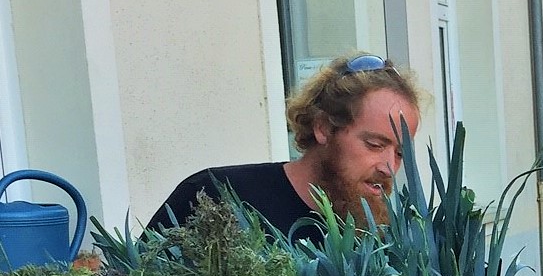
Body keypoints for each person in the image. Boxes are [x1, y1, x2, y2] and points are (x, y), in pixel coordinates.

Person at [149, 54, 422, 237]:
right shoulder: (215, 196)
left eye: (400, 154)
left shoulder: (381, 239)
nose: (389, 167)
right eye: (375, 144)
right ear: (323, 128)